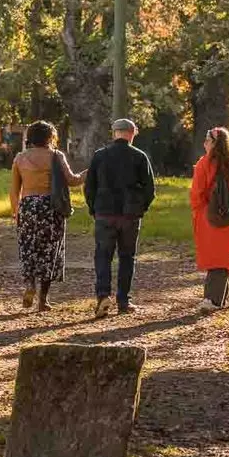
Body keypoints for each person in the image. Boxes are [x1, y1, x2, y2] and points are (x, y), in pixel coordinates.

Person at [84, 118, 156, 317]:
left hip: (104, 213)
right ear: (132, 133)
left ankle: (102, 295)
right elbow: (150, 189)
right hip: (129, 215)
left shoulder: (100, 156)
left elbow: (89, 187)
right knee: (126, 257)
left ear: (114, 133)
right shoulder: (140, 156)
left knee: (103, 255)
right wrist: (141, 208)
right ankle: (123, 301)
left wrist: (94, 208)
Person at [9, 121, 83, 312]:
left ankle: (30, 285)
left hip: (28, 207)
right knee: (50, 251)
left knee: (29, 247)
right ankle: (43, 300)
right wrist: (92, 171)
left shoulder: (20, 158)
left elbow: (14, 191)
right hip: (51, 208)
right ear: (50, 137)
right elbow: (72, 180)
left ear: (30, 138)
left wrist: (15, 212)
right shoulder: (56, 156)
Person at [189, 127, 229, 311]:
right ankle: (220, 299)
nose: (204, 144)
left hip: (208, 218)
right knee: (224, 258)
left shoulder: (204, 164)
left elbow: (196, 195)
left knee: (214, 259)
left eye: (207, 141)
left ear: (214, 144)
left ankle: (212, 301)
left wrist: (203, 212)